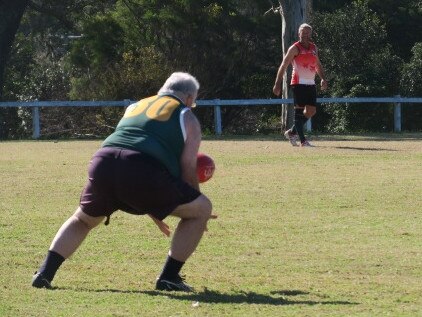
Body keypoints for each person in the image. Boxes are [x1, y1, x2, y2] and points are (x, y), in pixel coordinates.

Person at [31, 72, 216, 292]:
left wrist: (155, 206)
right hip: (142, 169)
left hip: (104, 161)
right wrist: (195, 201)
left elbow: (129, 154)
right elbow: (187, 166)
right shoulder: (186, 115)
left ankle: (44, 273)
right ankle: (169, 277)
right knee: (202, 208)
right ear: (188, 98)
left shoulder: (135, 107)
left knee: (82, 220)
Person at [273, 23, 328, 147]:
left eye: (307, 33)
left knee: (311, 111)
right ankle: (303, 141)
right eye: (303, 33)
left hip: (311, 83)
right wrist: (277, 84)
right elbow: (283, 65)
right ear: (299, 34)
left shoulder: (314, 48)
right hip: (298, 83)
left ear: (310, 34)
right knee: (299, 113)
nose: (305, 35)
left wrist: (323, 79)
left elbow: (317, 65)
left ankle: (292, 132)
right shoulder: (294, 48)